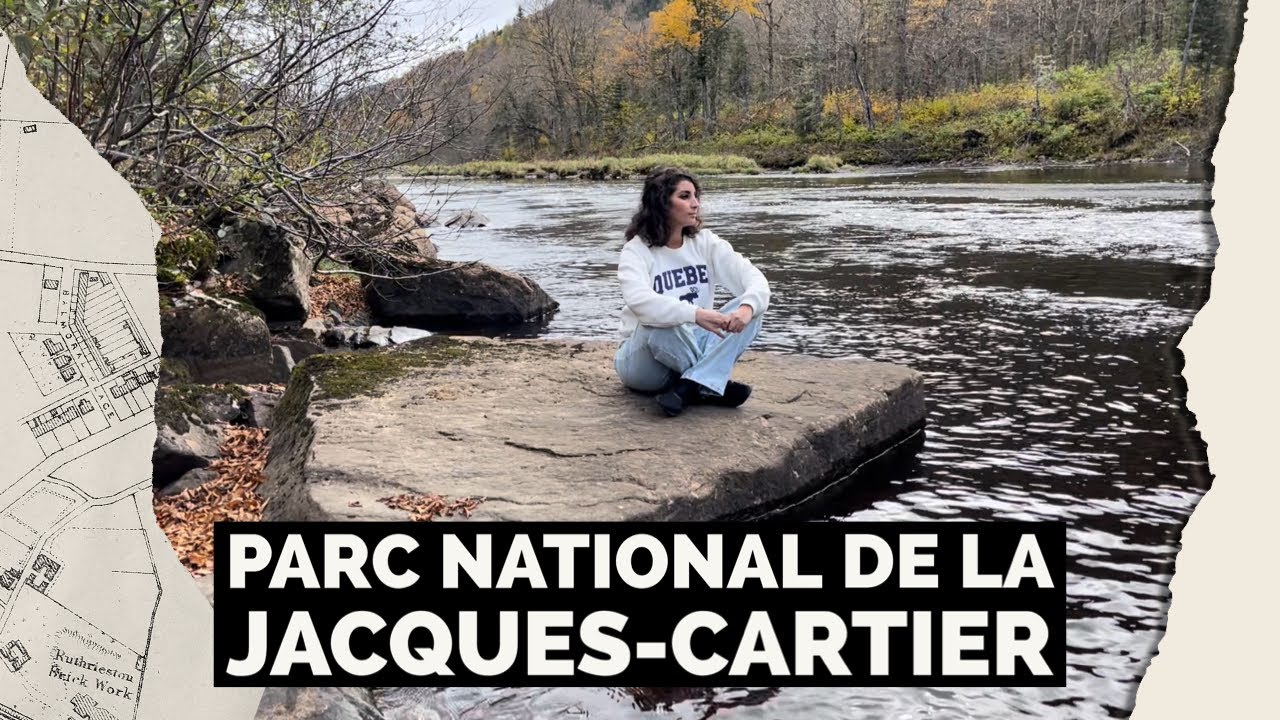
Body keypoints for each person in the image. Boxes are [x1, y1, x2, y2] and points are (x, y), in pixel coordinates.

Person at [614, 167, 771, 417]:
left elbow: (755, 279)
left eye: (696, 196)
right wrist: (696, 314)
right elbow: (640, 303)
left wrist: (746, 308)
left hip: (689, 347)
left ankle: (689, 387)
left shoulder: (706, 243)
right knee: (663, 321)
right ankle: (707, 382)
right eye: (685, 196)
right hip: (644, 362)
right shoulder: (636, 251)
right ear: (661, 203)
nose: (695, 204)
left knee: (754, 309)